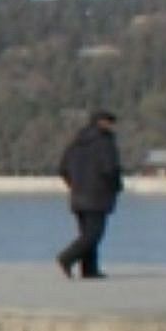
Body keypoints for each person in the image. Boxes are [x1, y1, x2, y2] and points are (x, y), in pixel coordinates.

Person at [58, 109, 124, 279]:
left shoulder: (76, 142)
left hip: (78, 195)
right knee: (93, 234)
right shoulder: (105, 143)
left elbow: (62, 168)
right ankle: (67, 257)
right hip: (97, 195)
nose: (112, 127)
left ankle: (89, 270)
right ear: (103, 123)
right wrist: (116, 186)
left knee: (87, 233)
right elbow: (111, 169)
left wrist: (74, 184)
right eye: (110, 123)